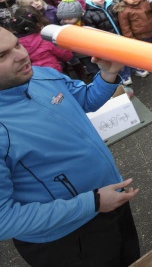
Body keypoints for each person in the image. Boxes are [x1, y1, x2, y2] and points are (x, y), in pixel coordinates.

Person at [0, 24, 141, 266]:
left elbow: (84, 99)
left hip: (110, 199)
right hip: (67, 238)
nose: (22, 55)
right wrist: (92, 203)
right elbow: (4, 220)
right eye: (3, 55)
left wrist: (107, 75)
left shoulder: (40, 74)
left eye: (18, 44)